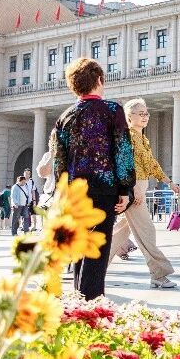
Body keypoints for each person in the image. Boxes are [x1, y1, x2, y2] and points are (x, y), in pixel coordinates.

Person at [50, 57, 135, 299]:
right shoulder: (112, 110)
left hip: (74, 193)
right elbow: (123, 152)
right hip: (104, 190)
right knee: (96, 248)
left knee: (79, 248)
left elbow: (58, 161)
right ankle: (92, 303)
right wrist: (125, 189)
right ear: (99, 80)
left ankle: (78, 299)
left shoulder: (65, 117)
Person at [108, 98, 178, 289]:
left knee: (121, 232)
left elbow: (152, 164)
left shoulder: (142, 138)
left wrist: (169, 182)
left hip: (140, 187)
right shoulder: (128, 137)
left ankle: (93, 263)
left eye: (146, 113)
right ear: (129, 117)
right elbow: (124, 165)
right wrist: (133, 189)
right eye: (141, 113)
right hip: (133, 189)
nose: (145, 116)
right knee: (147, 231)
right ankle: (159, 273)